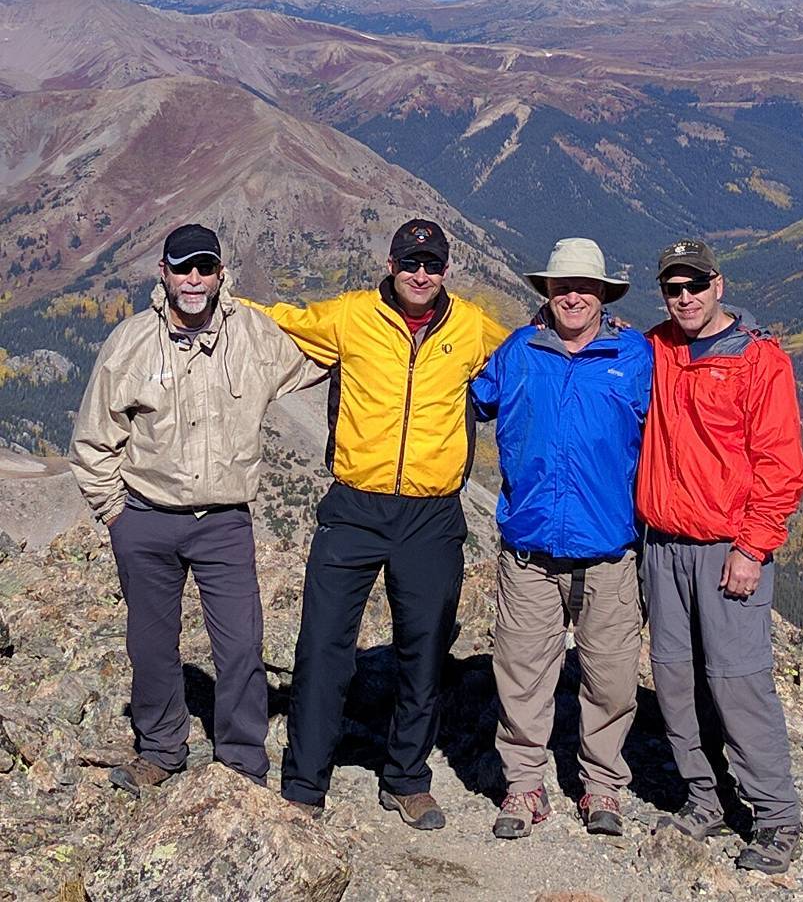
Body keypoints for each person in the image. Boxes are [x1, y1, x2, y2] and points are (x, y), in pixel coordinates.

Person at [247, 219, 506, 829]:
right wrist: (215, 297)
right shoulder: (350, 316)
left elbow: (533, 351)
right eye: (411, 263)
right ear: (391, 264)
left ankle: (407, 778)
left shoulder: (471, 327)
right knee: (322, 645)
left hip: (432, 513)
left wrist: (600, 333)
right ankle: (306, 781)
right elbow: (280, 319)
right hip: (355, 507)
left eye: (433, 265)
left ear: (446, 271)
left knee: (424, 650)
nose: (422, 275)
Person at [69, 224, 324, 796]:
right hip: (145, 516)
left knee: (239, 645)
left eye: (204, 268)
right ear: (163, 271)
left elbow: (322, 358)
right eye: (182, 268)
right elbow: (92, 439)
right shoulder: (131, 342)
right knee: (151, 645)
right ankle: (161, 749)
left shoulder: (254, 336)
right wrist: (116, 515)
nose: (193, 280)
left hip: (225, 521)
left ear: (219, 274)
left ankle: (241, 762)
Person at [471, 238, 652, 839]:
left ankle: (602, 784)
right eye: (562, 285)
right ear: (546, 291)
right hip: (530, 551)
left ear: (605, 294)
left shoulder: (636, 354)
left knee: (612, 676)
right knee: (522, 672)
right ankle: (524, 788)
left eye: (585, 286)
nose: (573, 295)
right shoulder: (518, 351)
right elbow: (467, 397)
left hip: (609, 551)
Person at [636, 238, 803, 874]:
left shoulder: (758, 361)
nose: (685, 298)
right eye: (673, 289)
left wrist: (753, 547)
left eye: (695, 286)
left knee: (738, 685)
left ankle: (776, 817)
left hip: (726, 547)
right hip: (663, 545)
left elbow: (781, 466)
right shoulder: (656, 347)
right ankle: (704, 798)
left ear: (719, 284)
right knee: (676, 681)